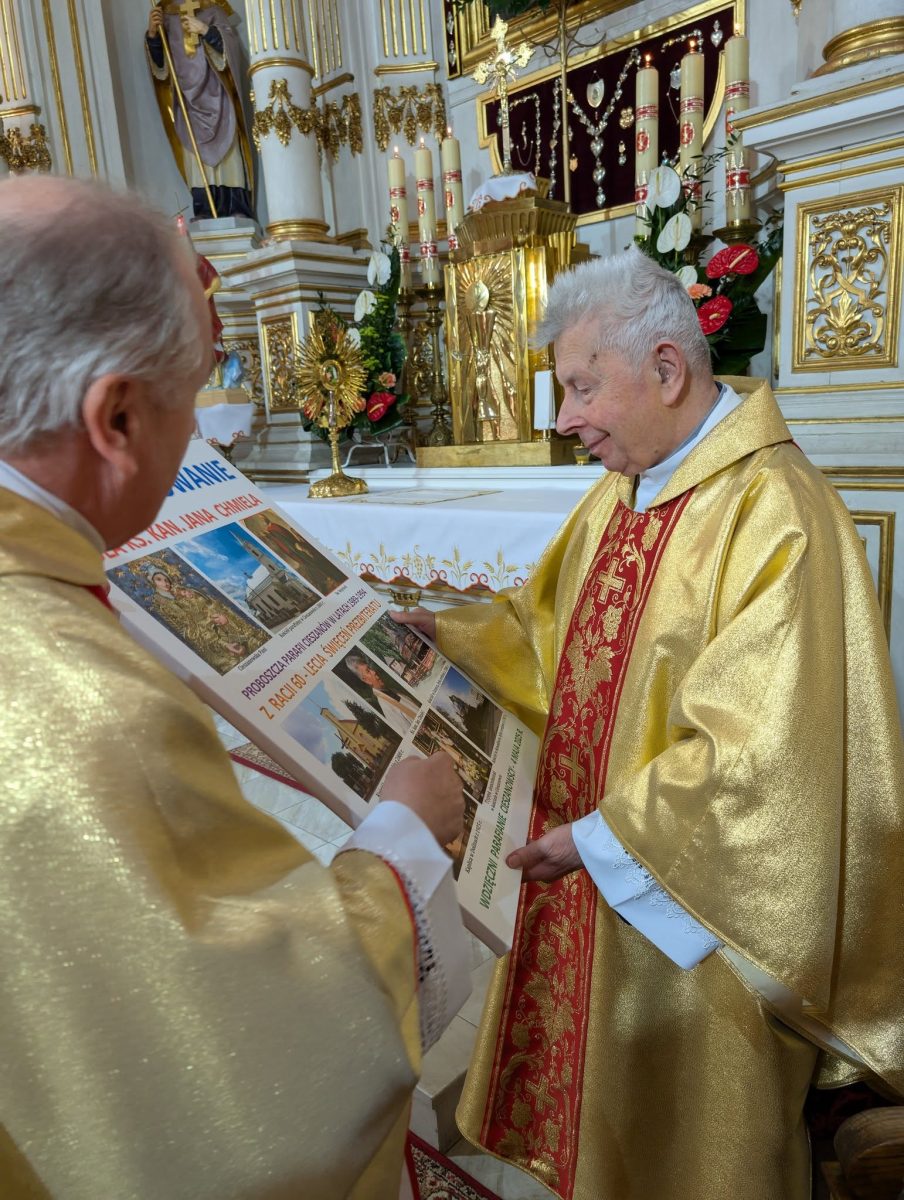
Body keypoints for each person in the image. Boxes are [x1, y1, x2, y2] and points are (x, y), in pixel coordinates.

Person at [393, 247, 904, 1200]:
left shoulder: (778, 513)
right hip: (598, 888)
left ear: (667, 369)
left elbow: (767, 761)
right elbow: (545, 631)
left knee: (696, 1150)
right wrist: (451, 635)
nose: (563, 419)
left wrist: (596, 838)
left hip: (697, 924)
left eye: (582, 387)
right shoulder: (625, 491)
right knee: (607, 1138)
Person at [0, 175, 470, 1199]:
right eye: (195, 392)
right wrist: (398, 839)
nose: (201, 438)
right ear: (116, 417)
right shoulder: (77, 700)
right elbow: (237, 1085)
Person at [145, 1, 254, 219]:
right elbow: (162, 67)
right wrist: (153, 35)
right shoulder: (165, 17)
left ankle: (235, 206)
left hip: (218, 96)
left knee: (228, 152)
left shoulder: (213, 11)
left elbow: (230, 49)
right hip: (187, 101)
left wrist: (204, 30)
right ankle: (205, 207)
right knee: (196, 158)